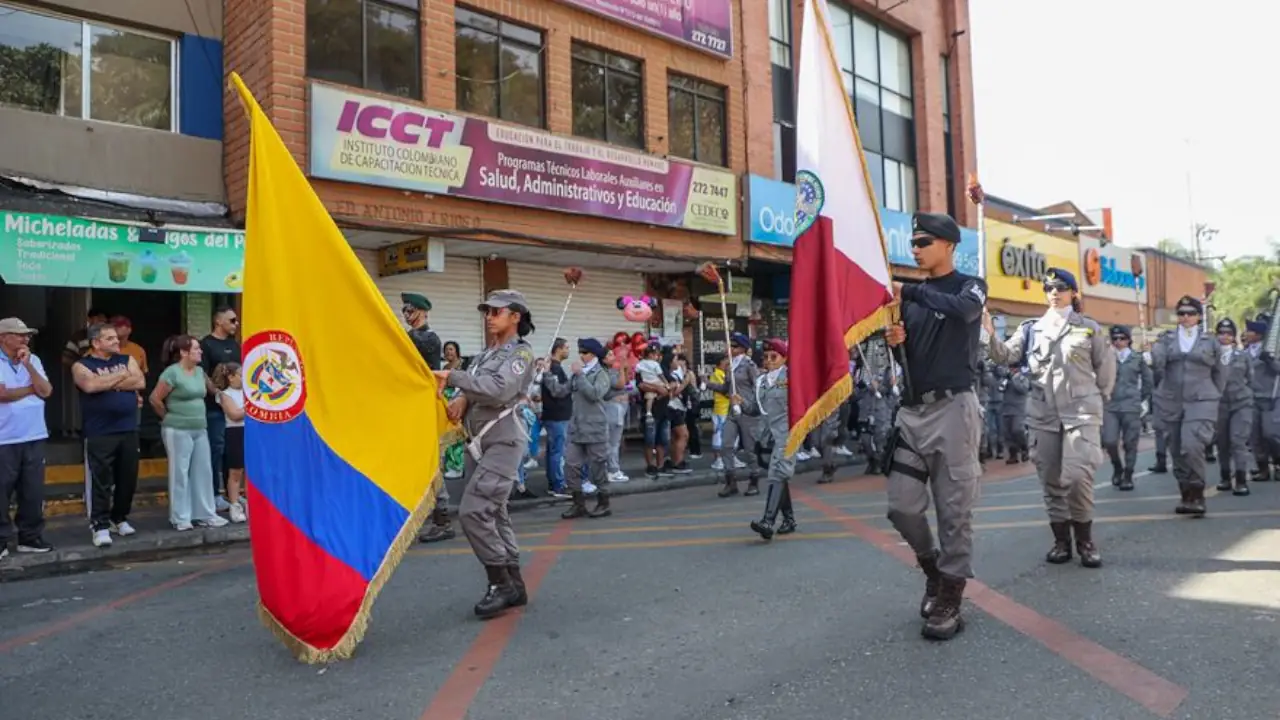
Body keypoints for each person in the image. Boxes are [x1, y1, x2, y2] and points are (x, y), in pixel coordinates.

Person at [882, 212, 986, 642]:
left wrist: (911, 293)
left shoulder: (969, 285)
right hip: (912, 411)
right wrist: (893, 339)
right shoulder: (910, 297)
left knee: (953, 511)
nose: (916, 248)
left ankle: (951, 596)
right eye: (914, 242)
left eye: (924, 241)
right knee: (901, 506)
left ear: (948, 245)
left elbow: (962, 310)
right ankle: (933, 570)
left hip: (953, 409)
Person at [986, 268, 1115, 569]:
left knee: (1077, 477)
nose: (1054, 292)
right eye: (1048, 288)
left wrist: (1098, 401)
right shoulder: (1032, 329)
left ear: (1073, 292)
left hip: (1081, 414)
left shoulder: (1089, 328)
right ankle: (1061, 542)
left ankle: (1085, 540)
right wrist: (989, 333)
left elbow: (1105, 369)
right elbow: (1004, 356)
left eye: (1060, 287)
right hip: (1043, 414)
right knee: (1051, 479)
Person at [433, 290, 537, 619]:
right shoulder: (483, 356)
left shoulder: (520, 353)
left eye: (496, 311)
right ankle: (515, 584)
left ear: (515, 316)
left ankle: (500, 583)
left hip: (504, 441)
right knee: (495, 513)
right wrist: (461, 399)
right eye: (487, 311)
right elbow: (475, 390)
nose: (489, 316)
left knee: (474, 512)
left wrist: (454, 376)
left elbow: (499, 390)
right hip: (479, 441)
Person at [72, 322, 146, 547]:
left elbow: (140, 381)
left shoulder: (126, 359)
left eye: (116, 338)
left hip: (128, 428)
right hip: (99, 431)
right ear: (96, 342)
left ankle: (119, 518)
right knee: (101, 480)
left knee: (128, 478)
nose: (116, 341)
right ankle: (100, 524)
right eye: (110, 339)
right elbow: (90, 386)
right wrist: (121, 378)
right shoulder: (82, 364)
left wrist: (107, 382)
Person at [1150, 296, 1225, 516]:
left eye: (1190, 313)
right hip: (1172, 399)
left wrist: (1214, 395)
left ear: (1198, 316)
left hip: (1201, 400)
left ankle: (1198, 492)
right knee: (1176, 450)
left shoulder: (1210, 341)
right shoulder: (1166, 339)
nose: (1185, 317)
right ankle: (1185, 493)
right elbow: (1158, 366)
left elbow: (1219, 372)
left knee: (1192, 446)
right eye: (1181, 313)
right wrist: (1154, 351)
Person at [150, 335, 227, 531]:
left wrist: (225, 382)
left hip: (199, 428)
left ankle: (205, 514)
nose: (200, 351)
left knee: (203, 470)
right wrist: (168, 418)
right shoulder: (172, 373)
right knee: (180, 473)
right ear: (184, 352)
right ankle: (180, 517)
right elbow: (155, 399)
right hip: (177, 429)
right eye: (196, 348)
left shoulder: (200, 371)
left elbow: (213, 390)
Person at [0, 317, 55, 558]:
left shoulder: (33, 360)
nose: (25, 339)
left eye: (27, 335)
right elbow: (2, 395)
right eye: (20, 334)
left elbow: (46, 391)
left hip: (34, 434)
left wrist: (29, 367)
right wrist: (30, 389)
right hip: (4, 437)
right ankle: (1, 540)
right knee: (2, 490)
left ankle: (29, 537)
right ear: (3, 337)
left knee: (32, 490)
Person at [406, 294, 455, 544]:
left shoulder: (427, 338)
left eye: (411, 310)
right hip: (412, 408)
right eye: (404, 310)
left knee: (430, 466)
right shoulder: (410, 336)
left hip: (426, 406)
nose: (406, 314)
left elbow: (414, 349)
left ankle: (442, 520)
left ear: (424, 312)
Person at [560, 338, 614, 519]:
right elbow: (560, 391)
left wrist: (580, 376)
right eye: (580, 353)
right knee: (571, 466)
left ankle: (604, 502)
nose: (581, 356)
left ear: (593, 354)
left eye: (585, 353)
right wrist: (546, 374)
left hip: (595, 429)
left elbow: (594, 394)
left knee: (598, 467)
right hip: (577, 429)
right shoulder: (578, 373)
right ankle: (578, 503)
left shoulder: (601, 374)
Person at [750, 339, 797, 540]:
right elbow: (754, 409)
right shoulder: (761, 380)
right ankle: (789, 519)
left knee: (777, 472)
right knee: (779, 474)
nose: (769, 361)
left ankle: (768, 521)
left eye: (774, 357)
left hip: (788, 432)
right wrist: (739, 404)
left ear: (784, 358)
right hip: (768, 435)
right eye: (766, 357)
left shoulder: (792, 377)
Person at [707, 333, 761, 498]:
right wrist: (707, 384)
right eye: (730, 346)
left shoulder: (749, 365)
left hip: (747, 411)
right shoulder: (730, 366)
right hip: (732, 411)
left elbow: (758, 387)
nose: (731, 349)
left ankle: (754, 480)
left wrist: (748, 404)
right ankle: (731, 482)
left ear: (743, 349)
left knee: (750, 449)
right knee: (726, 446)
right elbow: (726, 389)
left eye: (735, 346)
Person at [200, 306, 241, 511]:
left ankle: (232, 493)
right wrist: (217, 394)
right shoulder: (206, 344)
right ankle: (214, 493)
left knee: (232, 450)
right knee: (216, 448)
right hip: (214, 407)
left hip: (235, 406)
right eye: (232, 320)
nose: (236, 324)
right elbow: (203, 374)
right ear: (219, 322)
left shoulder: (235, 345)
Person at [1101, 325, 1151, 491]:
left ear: (1129, 340)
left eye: (1122, 338)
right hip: (1111, 405)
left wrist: (1141, 399)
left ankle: (1128, 474)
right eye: (1114, 339)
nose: (1118, 342)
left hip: (1131, 405)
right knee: (1109, 440)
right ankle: (1117, 467)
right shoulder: (1106, 358)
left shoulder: (1137, 358)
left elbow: (1148, 381)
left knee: (1130, 442)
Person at [1212, 319, 1253, 496]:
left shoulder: (1243, 356)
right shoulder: (1211, 356)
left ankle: (1241, 480)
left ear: (1233, 336)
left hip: (1241, 403)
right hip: (1219, 404)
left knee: (1238, 441)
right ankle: (1225, 477)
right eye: (1221, 333)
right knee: (1222, 443)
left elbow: (1251, 379)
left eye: (1228, 333)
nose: (1225, 336)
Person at [1243, 316, 1280, 482]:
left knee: (1271, 434)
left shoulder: (1272, 352)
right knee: (1255, 436)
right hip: (1251, 398)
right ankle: (1262, 468)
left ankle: (1278, 464)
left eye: (1251, 331)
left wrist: (1271, 361)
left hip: (1270, 397)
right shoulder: (1244, 353)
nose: (1247, 333)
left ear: (1259, 334)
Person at [214, 362, 249, 522]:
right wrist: (252, 406)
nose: (244, 378)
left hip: (249, 431)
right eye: (241, 375)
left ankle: (250, 503)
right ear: (231, 377)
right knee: (236, 470)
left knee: (250, 471)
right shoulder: (224, 394)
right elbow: (234, 414)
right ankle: (234, 504)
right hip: (235, 431)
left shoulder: (249, 392)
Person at [1000, 363, 1030, 464]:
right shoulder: (1006, 378)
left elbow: (1023, 389)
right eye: (1010, 368)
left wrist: (1014, 379)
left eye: (1013, 368)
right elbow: (1000, 389)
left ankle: (1025, 448)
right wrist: (1004, 379)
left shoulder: (1022, 378)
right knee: (1008, 433)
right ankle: (1013, 454)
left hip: (1018, 408)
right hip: (1006, 408)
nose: (1011, 370)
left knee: (1017, 430)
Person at [634, 352, 665, 420]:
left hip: (646, 383)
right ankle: (657, 398)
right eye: (656, 355)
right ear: (650, 355)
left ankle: (648, 412)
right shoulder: (655, 364)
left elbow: (636, 370)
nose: (657, 357)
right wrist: (666, 383)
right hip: (656, 383)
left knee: (650, 396)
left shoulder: (640, 363)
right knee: (666, 389)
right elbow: (660, 374)